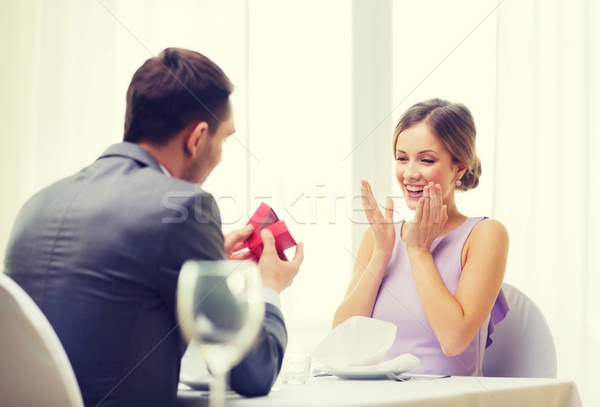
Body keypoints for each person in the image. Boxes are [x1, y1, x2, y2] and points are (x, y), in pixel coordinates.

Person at [3, 48, 304, 406]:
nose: (222, 154)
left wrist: (199, 267)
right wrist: (268, 289)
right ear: (197, 138)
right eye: (224, 140)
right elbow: (254, 373)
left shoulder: (36, 205)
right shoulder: (184, 208)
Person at [333, 98, 509, 376]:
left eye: (426, 160)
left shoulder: (485, 235)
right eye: (402, 158)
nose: (410, 173)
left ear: (459, 168)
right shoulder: (381, 236)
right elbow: (343, 342)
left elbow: (454, 341)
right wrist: (381, 254)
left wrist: (418, 251)